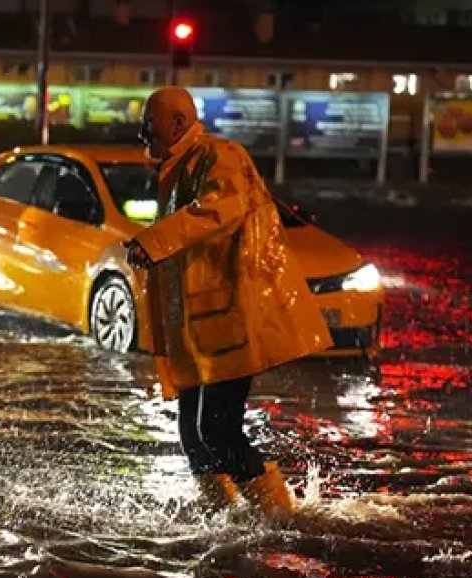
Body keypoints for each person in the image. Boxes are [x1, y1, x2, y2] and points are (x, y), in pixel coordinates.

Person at [124, 86, 333, 519]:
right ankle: (220, 519)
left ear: (178, 123)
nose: (142, 132)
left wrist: (154, 241)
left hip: (229, 323)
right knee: (193, 433)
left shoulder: (219, 157)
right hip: (199, 329)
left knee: (216, 429)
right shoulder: (181, 166)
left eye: (149, 123)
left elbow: (220, 210)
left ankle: (279, 519)